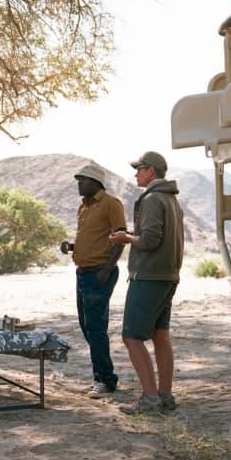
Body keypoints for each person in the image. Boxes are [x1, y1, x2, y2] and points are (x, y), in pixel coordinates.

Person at [110, 150, 183, 415]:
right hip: (168, 276)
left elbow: (151, 240)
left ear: (151, 171)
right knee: (161, 336)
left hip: (149, 276)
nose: (136, 174)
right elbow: (156, 236)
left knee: (131, 337)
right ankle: (164, 396)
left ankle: (150, 399)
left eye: (139, 169)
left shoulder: (152, 199)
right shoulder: (171, 199)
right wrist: (131, 235)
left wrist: (126, 239)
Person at [59, 162, 126, 397]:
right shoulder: (83, 207)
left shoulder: (111, 204)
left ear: (96, 182)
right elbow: (96, 239)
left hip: (100, 272)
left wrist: (107, 269)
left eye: (83, 180)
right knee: (88, 327)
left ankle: (104, 380)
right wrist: (72, 247)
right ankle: (105, 376)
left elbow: (120, 238)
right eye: (78, 180)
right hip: (83, 272)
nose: (79, 183)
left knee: (96, 328)